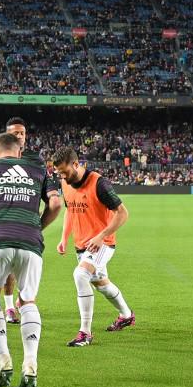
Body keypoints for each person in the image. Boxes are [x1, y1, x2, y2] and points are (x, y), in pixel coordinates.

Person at [0, 132, 61, 387]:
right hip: (31, 240)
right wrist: (37, 226)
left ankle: (3, 357)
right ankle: (30, 363)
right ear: (19, 151)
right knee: (28, 300)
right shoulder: (38, 169)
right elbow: (55, 203)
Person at [54, 146, 135, 347]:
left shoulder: (99, 183)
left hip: (102, 244)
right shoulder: (65, 183)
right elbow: (70, 210)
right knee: (101, 284)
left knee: (80, 275)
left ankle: (85, 333)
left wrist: (102, 236)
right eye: (59, 173)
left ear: (76, 164)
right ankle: (126, 315)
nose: (62, 176)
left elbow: (122, 213)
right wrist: (64, 238)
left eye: (65, 171)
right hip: (82, 244)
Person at [1, 117, 46, 324]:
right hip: (6, 220)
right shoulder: (0, 158)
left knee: (27, 266)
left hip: (28, 221)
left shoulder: (35, 160)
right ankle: (9, 307)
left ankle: (23, 300)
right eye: (15, 133)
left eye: (22, 133)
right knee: (9, 267)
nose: (19, 136)